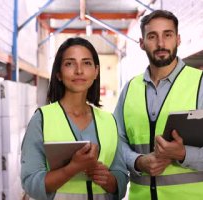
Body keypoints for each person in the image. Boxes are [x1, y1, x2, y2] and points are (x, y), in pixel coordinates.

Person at [113, 10, 203, 200]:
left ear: (178, 39)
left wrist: (183, 153)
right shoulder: (129, 89)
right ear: (141, 43)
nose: (161, 44)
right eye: (152, 36)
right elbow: (115, 144)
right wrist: (138, 161)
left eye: (168, 35)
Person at [21, 37, 128, 200]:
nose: (79, 70)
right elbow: (30, 182)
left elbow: (120, 177)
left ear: (96, 71)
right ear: (58, 73)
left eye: (86, 63)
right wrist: (72, 168)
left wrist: (109, 180)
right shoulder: (42, 119)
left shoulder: (109, 121)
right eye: (69, 63)